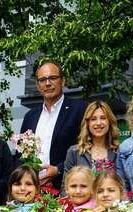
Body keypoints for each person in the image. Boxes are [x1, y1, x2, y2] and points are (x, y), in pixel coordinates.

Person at [20, 60, 86, 190]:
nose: (48, 83)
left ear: (63, 81)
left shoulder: (79, 109)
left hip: (68, 188)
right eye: (42, 80)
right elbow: (21, 154)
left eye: (53, 78)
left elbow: (86, 149)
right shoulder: (30, 117)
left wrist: (58, 170)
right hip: (33, 189)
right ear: (38, 86)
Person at [64, 101, 119, 174]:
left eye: (103, 118)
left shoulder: (120, 151)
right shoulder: (74, 152)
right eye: (93, 119)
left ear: (109, 121)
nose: (98, 123)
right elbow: (66, 184)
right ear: (87, 123)